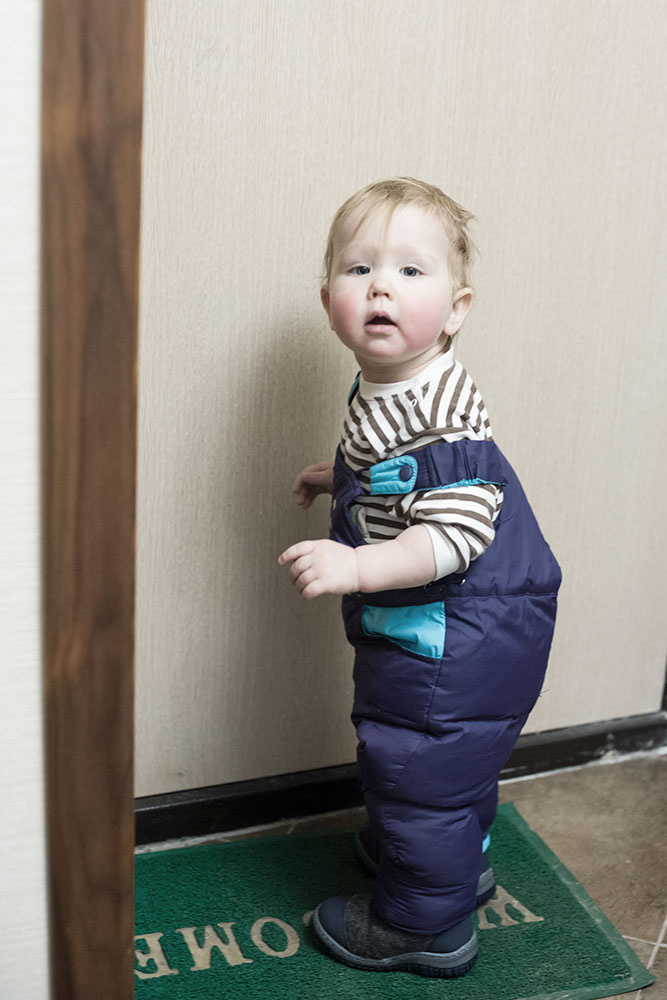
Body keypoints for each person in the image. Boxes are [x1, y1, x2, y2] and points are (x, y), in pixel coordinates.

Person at [278, 177, 561, 978]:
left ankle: (423, 926)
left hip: (460, 634)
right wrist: (340, 479)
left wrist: (355, 563)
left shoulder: (443, 414)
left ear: (456, 308)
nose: (380, 287)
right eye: (358, 268)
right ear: (327, 299)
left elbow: (454, 534)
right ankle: (445, 864)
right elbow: (392, 473)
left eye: (409, 270)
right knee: (442, 769)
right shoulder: (393, 381)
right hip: (458, 625)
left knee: (414, 768)